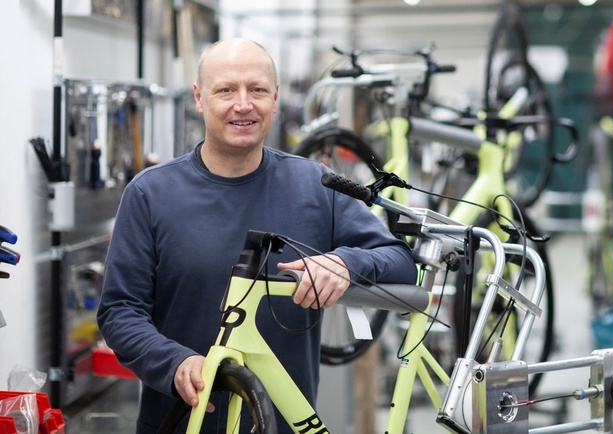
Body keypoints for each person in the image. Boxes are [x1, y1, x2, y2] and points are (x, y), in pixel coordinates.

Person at [97, 38, 418, 433]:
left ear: (276, 98)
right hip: (181, 421)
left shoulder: (317, 186)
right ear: (200, 98)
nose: (244, 104)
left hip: (284, 423)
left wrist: (345, 263)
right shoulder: (150, 194)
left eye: (258, 90)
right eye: (226, 90)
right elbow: (119, 311)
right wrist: (175, 362)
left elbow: (401, 262)